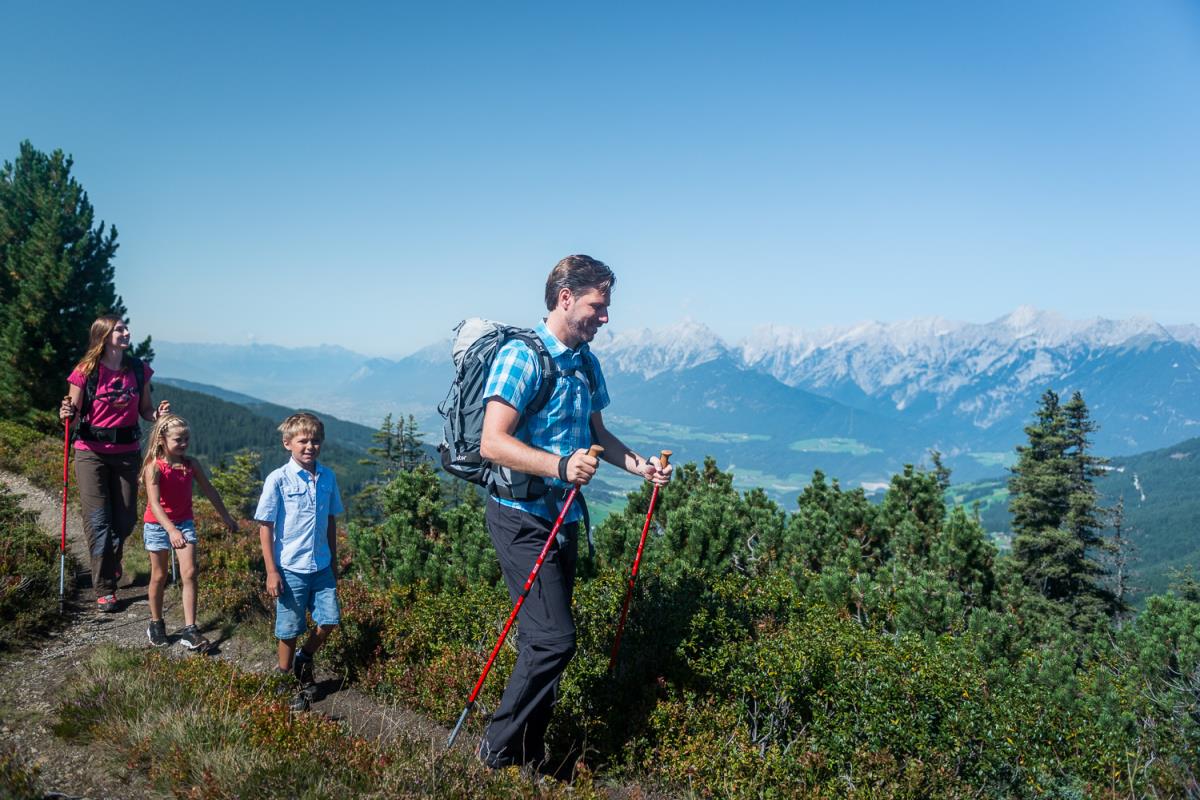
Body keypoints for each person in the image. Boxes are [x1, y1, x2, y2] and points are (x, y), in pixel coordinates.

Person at [477, 254, 672, 770]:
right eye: (598, 305)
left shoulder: (585, 361)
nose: (605, 317)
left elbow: (598, 435)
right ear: (566, 299)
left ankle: (529, 753)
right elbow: (492, 443)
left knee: (545, 641)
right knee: (555, 640)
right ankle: (496, 751)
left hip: (562, 519)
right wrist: (560, 467)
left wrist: (640, 467)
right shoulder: (522, 358)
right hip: (520, 516)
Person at [59, 314, 169, 612]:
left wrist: (156, 416)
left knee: (125, 519)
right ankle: (104, 587)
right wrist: (67, 412)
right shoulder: (85, 371)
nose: (126, 332)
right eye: (119, 329)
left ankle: (111, 562)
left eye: (125, 328)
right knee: (98, 521)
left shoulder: (138, 370)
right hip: (90, 451)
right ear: (104, 336)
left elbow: (145, 409)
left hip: (126, 450)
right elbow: (73, 412)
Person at [253, 412, 344, 712]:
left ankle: (304, 659)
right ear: (287, 443)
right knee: (289, 628)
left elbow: (330, 520)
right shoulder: (278, 479)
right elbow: (265, 525)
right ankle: (285, 677)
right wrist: (271, 571)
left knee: (329, 619)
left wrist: (333, 559)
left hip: (321, 565)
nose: (309, 446)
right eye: (303, 440)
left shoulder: (328, 477)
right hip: (290, 567)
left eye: (315, 440)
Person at [141, 414, 238, 650]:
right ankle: (156, 623)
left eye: (187, 438)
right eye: (178, 439)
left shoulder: (191, 464)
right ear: (162, 440)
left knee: (190, 573)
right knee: (159, 575)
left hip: (184, 523)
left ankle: (190, 629)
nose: (184, 443)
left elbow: (210, 490)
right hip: (158, 525)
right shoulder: (154, 467)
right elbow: (154, 503)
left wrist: (225, 516)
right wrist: (171, 530)